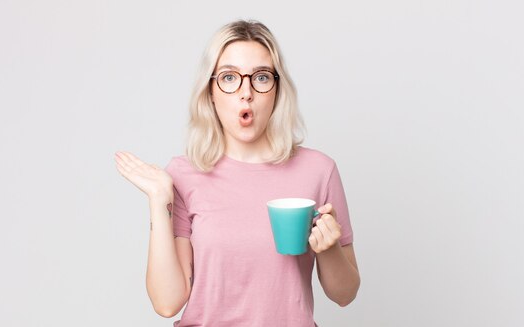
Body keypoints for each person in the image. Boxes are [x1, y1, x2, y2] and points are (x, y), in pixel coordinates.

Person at [114, 19, 360, 327]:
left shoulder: (319, 171)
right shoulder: (183, 174)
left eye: (260, 77)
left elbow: (345, 294)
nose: (246, 92)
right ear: (211, 91)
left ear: (277, 90)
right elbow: (167, 302)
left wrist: (329, 249)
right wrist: (159, 199)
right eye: (230, 78)